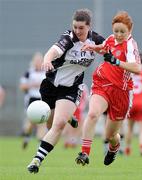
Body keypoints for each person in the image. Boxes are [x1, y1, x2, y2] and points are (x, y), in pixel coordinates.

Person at [27, 9, 108, 173]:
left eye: (81, 28)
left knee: (58, 124)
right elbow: (53, 51)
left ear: (89, 27)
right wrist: (47, 60)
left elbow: (111, 49)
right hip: (50, 85)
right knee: (50, 125)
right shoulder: (68, 38)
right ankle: (68, 115)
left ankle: (36, 160)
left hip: (71, 87)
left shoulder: (97, 39)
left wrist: (108, 52)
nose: (77, 31)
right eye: (75, 27)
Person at [75, 11, 141, 166]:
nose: (118, 34)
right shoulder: (111, 39)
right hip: (102, 83)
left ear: (129, 31)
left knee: (110, 135)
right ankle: (85, 153)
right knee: (92, 114)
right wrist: (92, 48)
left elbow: (137, 68)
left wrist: (117, 62)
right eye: (116, 31)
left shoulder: (130, 45)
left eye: (122, 32)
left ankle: (114, 147)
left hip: (121, 92)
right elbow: (104, 48)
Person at [20, 52, 47, 149]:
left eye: (40, 60)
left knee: (43, 121)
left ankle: (40, 144)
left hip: (43, 98)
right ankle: (27, 136)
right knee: (31, 121)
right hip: (31, 99)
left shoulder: (46, 72)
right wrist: (33, 85)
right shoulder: (29, 73)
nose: (38, 62)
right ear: (33, 62)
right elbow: (22, 87)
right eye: (36, 60)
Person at [63, 83, 89, 148]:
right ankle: (71, 140)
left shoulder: (82, 86)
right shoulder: (81, 86)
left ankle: (71, 140)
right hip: (75, 107)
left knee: (73, 124)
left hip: (76, 107)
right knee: (74, 124)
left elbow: (85, 98)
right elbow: (86, 98)